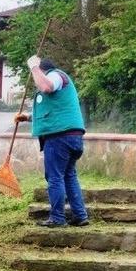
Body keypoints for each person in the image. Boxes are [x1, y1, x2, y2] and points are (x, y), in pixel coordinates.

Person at [15, 57, 89, 228]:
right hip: (72, 135)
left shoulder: (56, 75)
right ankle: (80, 215)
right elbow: (54, 111)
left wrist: (33, 67)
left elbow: (46, 86)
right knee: (69, 175)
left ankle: (57, 218)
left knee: (55, 177)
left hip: (59, 137)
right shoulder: (60, 80)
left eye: (37, 74)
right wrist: (27, 117)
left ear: (42, 70)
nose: (35, 80)